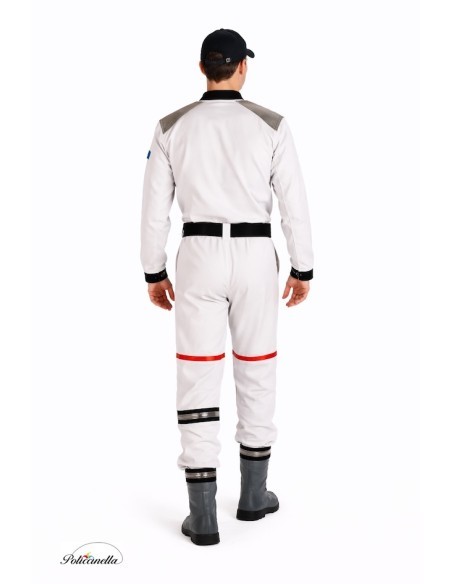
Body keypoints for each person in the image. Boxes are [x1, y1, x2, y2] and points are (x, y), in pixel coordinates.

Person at [140, 28, 314, 546]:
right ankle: (254, 496)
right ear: (242, 67)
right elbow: (294, 202)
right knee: (257, 369)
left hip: (197, 254)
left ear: (202, 68)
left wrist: (154, 272)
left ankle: (203, 515)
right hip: (256, 254)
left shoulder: (171, 126)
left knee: (197, 375)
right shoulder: (271, 124)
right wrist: (302, 267)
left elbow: (154, 211)